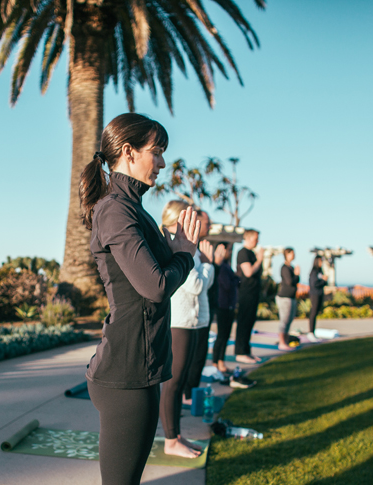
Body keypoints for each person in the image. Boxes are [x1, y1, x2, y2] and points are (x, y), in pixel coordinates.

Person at [79, 113, 201, 485]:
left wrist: (177, 252)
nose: (163, 162)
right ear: (129, 152)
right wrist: (184, 255)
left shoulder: (132, 208)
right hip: (124, 375)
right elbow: (156, 286)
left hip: (138, 369)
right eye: (157, 152)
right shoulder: (116, 209)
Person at [159, 202, 216, 458]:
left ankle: (177, 436)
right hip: (179, 321)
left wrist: (204, 265)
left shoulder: (185, 243)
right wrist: (208, 264)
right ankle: (170, 441)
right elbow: (195, 285)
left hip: (189, 321)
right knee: (173, 384)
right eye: (190, 214)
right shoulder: (175, 244)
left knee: (180, 382)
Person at [182, 210, 226, 408]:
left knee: (199, 358)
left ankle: (191, 394)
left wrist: (209, 264)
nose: (210, 225)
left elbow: (205, 285)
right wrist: (209, 265)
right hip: (186, 319)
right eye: (207, 221)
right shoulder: (189, 249)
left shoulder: (200, 251)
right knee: (188, 361)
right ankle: (186, 395)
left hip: (201, 316)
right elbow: (197, 285)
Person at [235, 229, 264, 364]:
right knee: (244, 322)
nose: (257, 241)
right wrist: (259, 260)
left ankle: (247, 351)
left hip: (254, 293)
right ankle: (240, 352)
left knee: (250, 322)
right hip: (246, 293)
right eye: (256, 238)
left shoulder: (251, 253)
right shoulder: (243, 253)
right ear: (248, 237)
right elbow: (248, 272)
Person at [212, 243, 239, 373]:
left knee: (225, 335)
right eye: (229, 250)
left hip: (228, 305)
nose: (230, 252)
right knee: (222, 336)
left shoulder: (227, 266)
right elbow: (228, 285)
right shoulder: (222, 267)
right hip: (223, 305)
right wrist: (236, 279)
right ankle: (216, 362)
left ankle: (219, 361)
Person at [276, 247, 300, 350]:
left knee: (289, 320)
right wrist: (296, 274)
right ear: (287, 254)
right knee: (284, 320)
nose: (294, 255)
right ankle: (281, 343)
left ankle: (285, 341)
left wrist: (296, 275)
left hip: (291, 297)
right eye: (292, 253)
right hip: (284, 297)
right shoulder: (285, 268)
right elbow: (290, 282)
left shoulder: (291, 267)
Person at [308, 255, 328, 342]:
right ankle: (310, 332)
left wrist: (324, 280)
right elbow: (314, 284)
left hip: (319, 294)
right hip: (314, 294)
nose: (321, 263)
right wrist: (323, 281)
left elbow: (322, 283)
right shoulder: (314, 272)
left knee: (316, 313)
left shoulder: (320, 271)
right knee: (313, 312)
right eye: (320, 261)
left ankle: (313, 332)